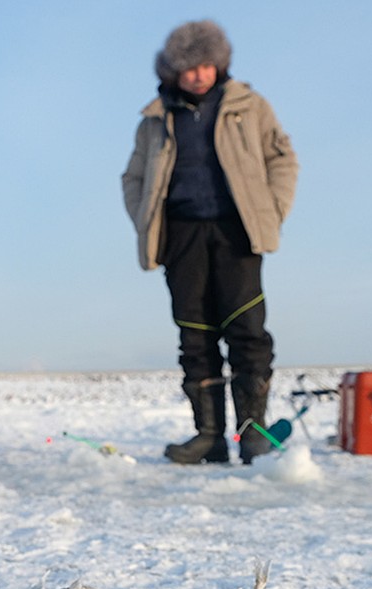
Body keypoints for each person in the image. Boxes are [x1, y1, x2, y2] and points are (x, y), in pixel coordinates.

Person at [122, 20, 298, 464]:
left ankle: (253, 434)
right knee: (195, 334)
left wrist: (271, 211)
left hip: (236, 231)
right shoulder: (155, 119)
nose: (198, 75)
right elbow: (134, 178)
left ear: (218, 64)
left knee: (246, 329)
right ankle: (209, 435)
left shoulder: (248, 105)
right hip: (182, 235)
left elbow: (282, 158)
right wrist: (146, 221)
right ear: (172, 72)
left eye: (205, 65)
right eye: (188, 68)